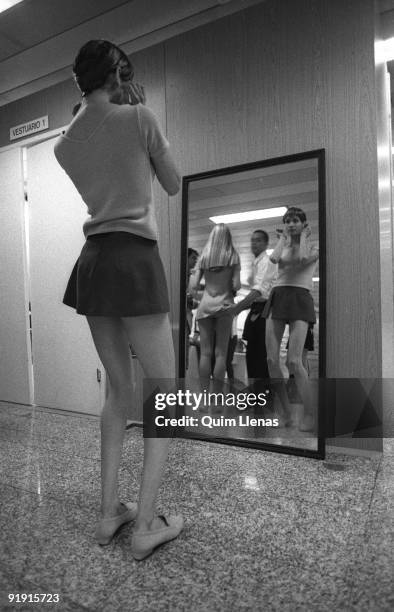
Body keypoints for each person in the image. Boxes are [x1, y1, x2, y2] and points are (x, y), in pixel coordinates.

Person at [54, 40, 183, 560]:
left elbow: (97, 159)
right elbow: (171, 184)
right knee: (166, 395)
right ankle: (147, 523)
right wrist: (140, 124)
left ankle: (110, 514)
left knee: (117, 391)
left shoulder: (63, 144)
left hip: (94, 261)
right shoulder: (140, 117)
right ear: (116, 72)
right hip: (134, 258)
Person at [263, 207, 319, 430]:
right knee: (271, 360)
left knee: (294, 361)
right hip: (278, 296)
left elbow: (304, 258)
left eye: (295, 220)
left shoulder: (313, 246)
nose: (291, 224)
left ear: (304, 223)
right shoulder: (283, 244)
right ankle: (285, 413)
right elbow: (275, 258)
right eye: (287, 221)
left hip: (300, 296)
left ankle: (309, 413)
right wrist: (283, 240)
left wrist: (303, 237)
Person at [189, 224, 240, 382]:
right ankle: (216, 401)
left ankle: (204, 402)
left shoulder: (203, 257)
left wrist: (198, 293)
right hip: (224, 306)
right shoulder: (233, 257)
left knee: (205, 353)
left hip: (205, 306)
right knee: (221, 354)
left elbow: (193, 286)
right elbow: (237, 285)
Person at [228, 230, 277, 387]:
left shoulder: (266, 262)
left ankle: (262, 400)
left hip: (264, 313)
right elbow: (254, 294)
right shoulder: (255, 263)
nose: (253, 243)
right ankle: (256, 397)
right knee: (252, 357)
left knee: (260, 358)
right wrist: (239, 308)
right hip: (256, 311)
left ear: (265, 244)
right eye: (252, 240)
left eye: (258, 240)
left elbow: (259, 292)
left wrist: (236, 308)